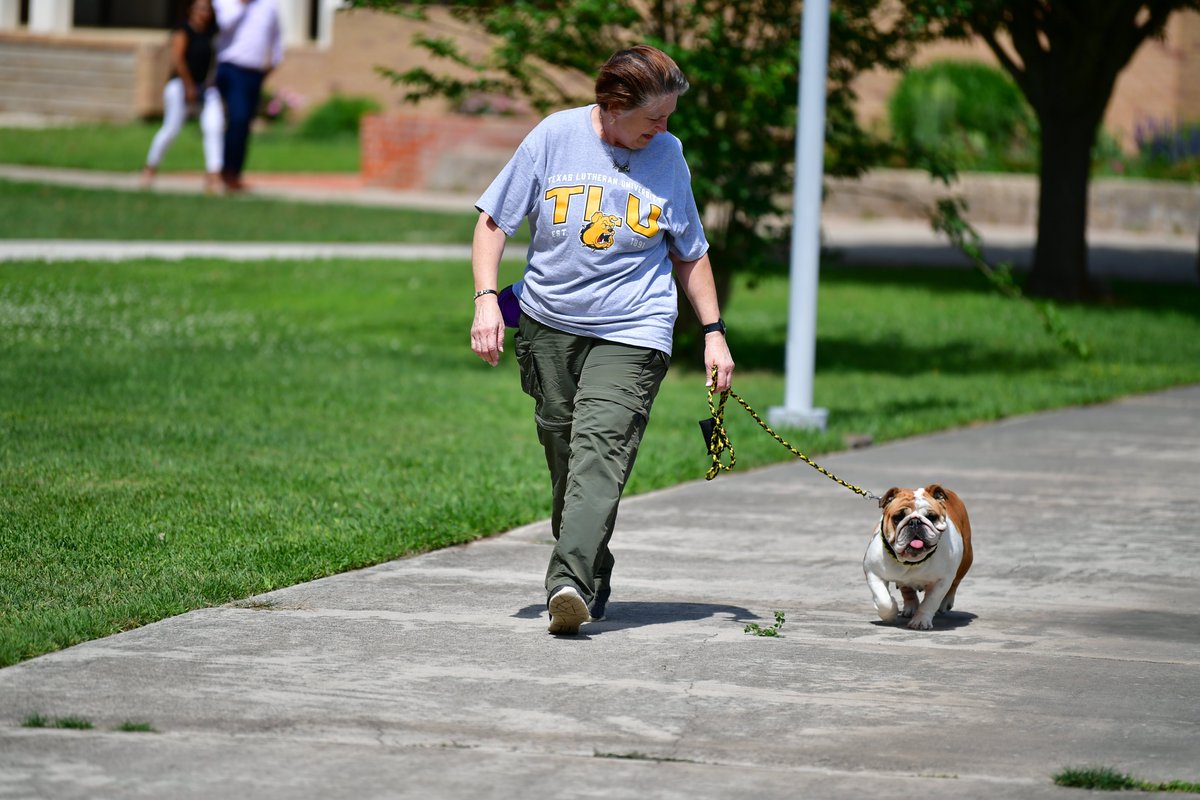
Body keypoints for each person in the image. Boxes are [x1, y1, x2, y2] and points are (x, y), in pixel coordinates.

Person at [470, 45, 735, 637]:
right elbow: (493, 221)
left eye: (668, 117)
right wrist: (487, 299)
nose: (663, 129)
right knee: (566, 455)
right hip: (548, 323)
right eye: (653, 118)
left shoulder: (668, 155)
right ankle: (593, 567)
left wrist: (713, 333)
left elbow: (690, 251)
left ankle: (567, 583)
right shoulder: (554, 137)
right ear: (613, 106)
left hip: (635, 328)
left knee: (600, 451)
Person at [141, 0, 224, 194]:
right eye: (200, 9)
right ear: (191, 10)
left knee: (214, 126)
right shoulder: (183, 30)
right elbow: (178, 59)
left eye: (207, 9)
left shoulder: (212, 33)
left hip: (205, 86)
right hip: (180, 85)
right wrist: (189, 86)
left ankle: (214, 175)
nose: (204, 13)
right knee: (171, 128)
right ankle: (150, 167)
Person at [212, 0, 283, 192]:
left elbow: (276, 34)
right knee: (238, 118)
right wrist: (241, 5)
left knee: (244, 123)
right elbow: (223, 26)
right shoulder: (226, 3)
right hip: (231, 68)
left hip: (255, 72)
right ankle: (226, 172)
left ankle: (234, 173)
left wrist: (275, 60)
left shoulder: (269, 5)